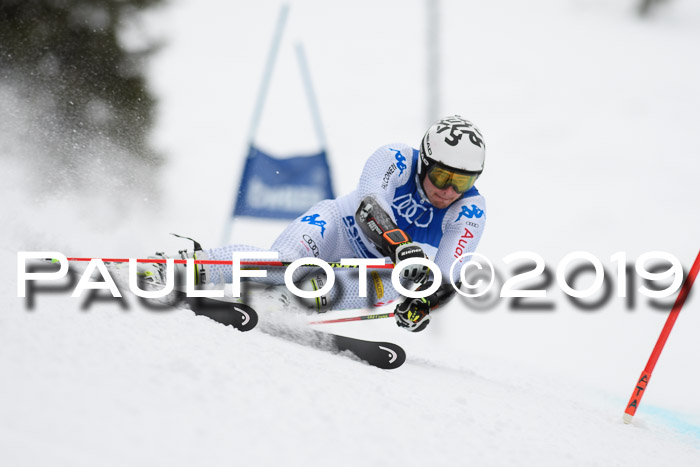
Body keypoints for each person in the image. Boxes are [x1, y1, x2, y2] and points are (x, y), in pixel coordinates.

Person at [145, 115, 487, 332]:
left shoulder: (471, 211)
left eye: (463, 182)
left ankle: (283, 304)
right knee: (283, 264)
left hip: (375, 268)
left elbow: (445, 279)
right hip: (338, 226)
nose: (448, 191)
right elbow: (369, 208)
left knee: (404, 281)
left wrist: (422, 304)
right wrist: (401, 246)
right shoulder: (394, 158)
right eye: (442, 176)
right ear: (424, 162)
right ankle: (182, 269)